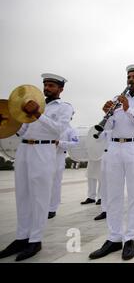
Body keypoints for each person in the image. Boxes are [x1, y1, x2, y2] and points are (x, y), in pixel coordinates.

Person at [0, 73, 72, 261]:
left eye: (51, 85)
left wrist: (37, 114)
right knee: (22, 196)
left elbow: (58, 129)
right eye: (45, 85)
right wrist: (8, 121)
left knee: (39, 198)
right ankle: (21, 237)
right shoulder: (30, 103)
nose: (47, 88)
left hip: (44, 149)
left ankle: (35, 240)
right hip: (24, 149)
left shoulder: (64, 107)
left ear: (60, 89)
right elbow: (23, 129)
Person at [89, 64, 134, 261]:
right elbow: (109, 126)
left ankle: (130, 238)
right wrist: (107, 114)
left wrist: (128, 109)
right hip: (115, 149)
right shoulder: (116, 100)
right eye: (129, 76)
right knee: (113, 195)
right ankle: (113, 237)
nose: (131, 80)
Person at [48, 121, 79, 219]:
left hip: (59, 156)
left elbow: (74, 143)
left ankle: (52, 209)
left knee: (55, 184)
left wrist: (59, 143)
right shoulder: (50, 126)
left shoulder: (70, 130)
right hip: (44, 155)